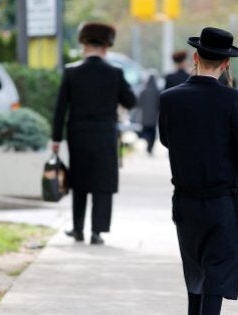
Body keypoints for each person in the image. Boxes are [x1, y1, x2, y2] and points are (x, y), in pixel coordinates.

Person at [158, 27, 238, 315]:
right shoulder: (232, 100)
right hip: (222, 202)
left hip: (185, 201)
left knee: (195, 275)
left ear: (196, 56)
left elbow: (166, 140)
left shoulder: (169, 99)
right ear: (226, 63)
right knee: (216, 276)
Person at [52, 22, 136, 245]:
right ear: (106, 47)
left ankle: (78, 229)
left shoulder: (71, 72)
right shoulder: (115, 73)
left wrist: (56, 139)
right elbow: (131, 100)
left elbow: (61, 108)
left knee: (79, 181)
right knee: (102, 182)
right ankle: (97, 232)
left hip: (78, 134)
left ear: (84, 45)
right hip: (105, 135)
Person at [138, 72, 160, 155]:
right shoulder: (157, 92)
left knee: (146, 131)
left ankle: (148, 145)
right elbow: (159, 104)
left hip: (145, 117)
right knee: (152, 133)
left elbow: (139, 103)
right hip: (154, 117)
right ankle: (150, 147)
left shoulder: (143, 91)